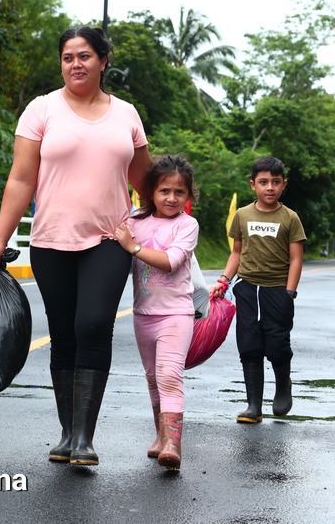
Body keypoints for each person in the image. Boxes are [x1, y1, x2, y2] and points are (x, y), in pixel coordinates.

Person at [0, 26, 151, 466]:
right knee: (64, 333)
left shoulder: (126, 115)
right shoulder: (41, 110)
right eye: (68, 57)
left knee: (94, 324)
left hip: (110, 239)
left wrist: (173, 222)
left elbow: (146, 182)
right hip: (51, 239)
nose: (76, 64)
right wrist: (1, 236)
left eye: (85, 56)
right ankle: (66, 432)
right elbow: (21, 178)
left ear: (103, 61)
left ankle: (84, 438)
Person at [114, 155, 199, 471]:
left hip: (176, 314)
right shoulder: (135, 221)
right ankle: (161, 436)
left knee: (169, 374)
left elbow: (172, 260)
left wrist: (133, 248)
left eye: (179, 192)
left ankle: (174, 444)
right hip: (143, 314)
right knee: (152, 378)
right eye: (165, 191)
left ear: (188, 196)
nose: (172, 198)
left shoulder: (187, 225)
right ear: (151, 191)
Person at [212, 156, 306, 423]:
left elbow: (296, 258)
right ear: (253, 185)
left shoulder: (290, 218)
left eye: (275, 182)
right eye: (263, 182)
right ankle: (254, 405)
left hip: (278, 290)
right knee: (249, 345)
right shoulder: (242, 215)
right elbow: (236, 253)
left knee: (277, 344)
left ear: (283, 185)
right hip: (247, 288)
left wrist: (290, 292)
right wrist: (224, 280)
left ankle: (283, 385)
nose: (269, 187)